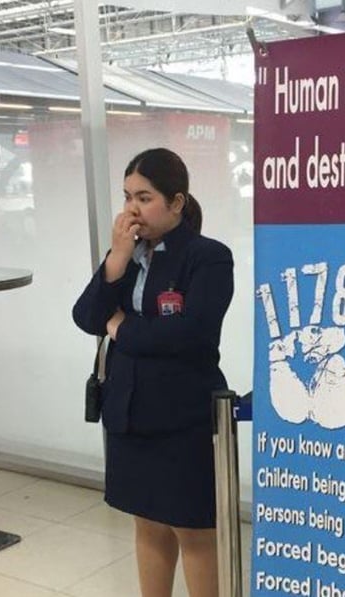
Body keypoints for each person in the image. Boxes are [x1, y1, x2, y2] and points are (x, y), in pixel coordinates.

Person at [72, 148, 233, 597]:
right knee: (148, 524)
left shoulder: (208, 257)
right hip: (129, 411)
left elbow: (192, 335)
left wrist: (121, 328)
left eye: (144, 198)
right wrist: (117, 260)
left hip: (182, 415)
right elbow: (86, 316)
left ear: (176, 202)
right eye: (127, 197)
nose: (132, 210)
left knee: (192, 528)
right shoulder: (128, 255)